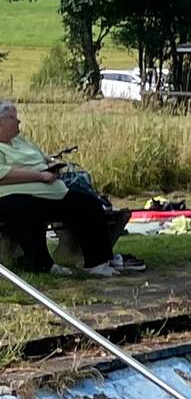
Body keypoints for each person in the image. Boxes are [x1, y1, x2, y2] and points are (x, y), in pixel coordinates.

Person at [0, 101, 125, 277]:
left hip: (50, 191)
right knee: (26, 209)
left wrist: (53, 167)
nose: (18, 121)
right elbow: (2, 174)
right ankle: (43, 264)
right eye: (13, 118)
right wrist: (40, 176)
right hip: (10, 197)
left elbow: (45, 158)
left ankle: (97, 262)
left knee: (88, 204)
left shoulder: (20, 141)